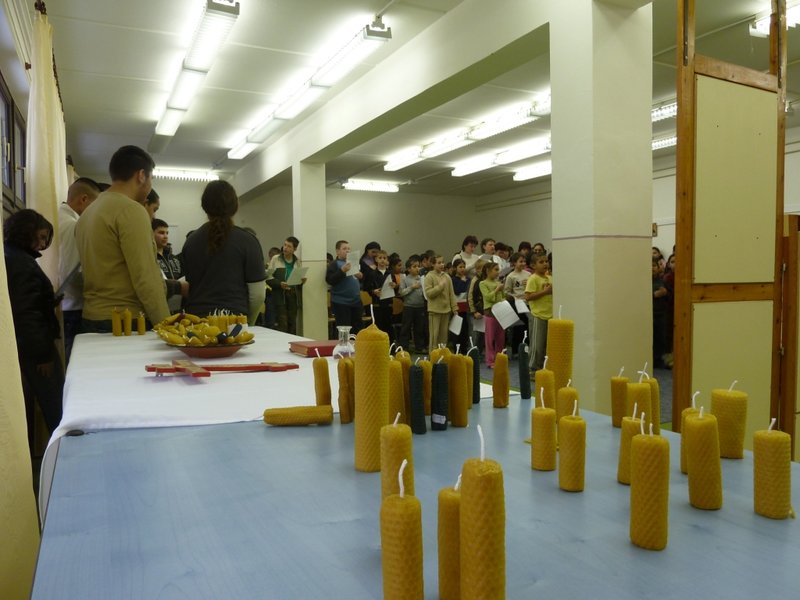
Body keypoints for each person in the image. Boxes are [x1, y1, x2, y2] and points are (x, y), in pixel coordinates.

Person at [76, 145, 169, 331]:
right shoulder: (131, 210)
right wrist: (167, 326)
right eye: (151, 178)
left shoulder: (88, 213)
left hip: (91, 317)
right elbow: (146, 277)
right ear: (141, 175)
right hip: (125, 321)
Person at [4, 209, 64, 442]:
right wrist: (43, 356)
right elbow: (27, 314)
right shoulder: (22, 263)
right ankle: (63, 452)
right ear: (25, 232)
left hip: (26, 346)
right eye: (40, 237)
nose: (42, 245)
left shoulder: (13, 256)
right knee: (55, 405)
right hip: (36, 351)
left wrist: (48, 300)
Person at [182, 181, 266, 323]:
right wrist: (248, 321)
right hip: (234, 321)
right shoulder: (248, 241)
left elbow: (189, 286)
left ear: (204, 206)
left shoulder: (191, 241)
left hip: (197, 321)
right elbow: (258, 295)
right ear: (235, 206)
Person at [57, 176, 101, 361]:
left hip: (63, 304)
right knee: (74, 361)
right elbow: (73, 274)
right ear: (83, 199)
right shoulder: (74, 225)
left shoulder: (58, 217)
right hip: (73, 306)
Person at [266, 236, 305, 335]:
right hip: (280, 296)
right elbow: (268, 278)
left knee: (292, 324)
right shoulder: (276, 259)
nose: (285, 248)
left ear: (294, 249)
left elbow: (297, 282)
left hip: (293, 296)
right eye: (285, 245)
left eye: (289, 246)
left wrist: (301, 281)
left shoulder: (297, 261)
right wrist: (279, 284)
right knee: (282, 324)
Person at [326, 240, 365, 333]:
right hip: (341, 302)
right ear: (337, 251)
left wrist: (360, 276)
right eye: (344, 249)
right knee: (344, 331)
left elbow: (359, 279)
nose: (347, 251)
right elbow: (330, 280)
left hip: (356, 301)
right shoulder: (334, 264)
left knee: (358, 329)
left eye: (349, 249)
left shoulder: (354, 262)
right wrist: (342, 271)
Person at [525, 253, 553, 374]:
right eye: (541, 262)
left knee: (547, 344)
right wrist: (545, 292)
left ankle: (544, 368)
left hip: (550, 315)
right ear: (533, 265)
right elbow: (528, 297)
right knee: (537, 345)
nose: (545, 264)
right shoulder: (533, 278)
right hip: (538, 315)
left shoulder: (550, 278)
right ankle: (533, 369)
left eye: (546, 261)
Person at [423, 255, 458, 352]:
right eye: (439, 263)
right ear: (433, 264)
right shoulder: (429, 276)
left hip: (446, 311)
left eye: (442, 262)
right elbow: (429, 294)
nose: (442, 265)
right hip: (434, 311)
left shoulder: (447, 277)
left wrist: (454, 307)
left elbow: (451, 294)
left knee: (443, 337)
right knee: (434, 336)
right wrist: (440, 287)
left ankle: (442, 356)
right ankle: (433, 356)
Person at [152, 218, 186, 313]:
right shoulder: (150, 258)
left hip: (178, 309)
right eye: (161, 233)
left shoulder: (175, 258)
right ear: (151, 234)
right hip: (158, 308)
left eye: (167, 233)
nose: (165, 236)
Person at [479, 262, 506, 368]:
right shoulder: (483, 283)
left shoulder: (498, 283)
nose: (498, 272)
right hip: (490, 313)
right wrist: (497, 289)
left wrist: (503, 292)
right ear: (488, 271)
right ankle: (490, 361)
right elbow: (488, 297)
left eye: (498, 270)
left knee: (501, 337)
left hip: (500, 312)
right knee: (490, 338)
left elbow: (502, 297)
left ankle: (499, 358)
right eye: (495, 269)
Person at [503, 252, 531, 353]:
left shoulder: (528, 275)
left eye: (524, 261)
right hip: (517, 304)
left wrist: (529, 284)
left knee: (527, 327)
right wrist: (514, 298)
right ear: (514, 263)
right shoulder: (511, 276)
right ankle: (516, 350)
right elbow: (506, 292)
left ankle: (526, 349)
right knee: (518, 328)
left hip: (528, 303)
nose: (523, 263)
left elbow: (533, 288)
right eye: (520, 261)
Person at [398, 256, 426, 353]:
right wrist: (412, 287)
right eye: (414, 266)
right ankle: (404, 347)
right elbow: (401, 292)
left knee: (419, 328)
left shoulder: (422, 279)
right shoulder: (405, 279)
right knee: (406, 327)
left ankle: (419, 347)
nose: (417, 268)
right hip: (409, 307)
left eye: (418, 266)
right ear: (408, 269)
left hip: (420, 306)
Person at [450, 257, 471, 352]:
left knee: (465, 331)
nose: (462, 269)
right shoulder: (453, 280)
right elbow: (457, 291)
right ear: (455, 268)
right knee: (457, 331)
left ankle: (464, 350)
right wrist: (462, 281)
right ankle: (457, 351)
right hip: (457, 309)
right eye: (460, 267)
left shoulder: (468, 279)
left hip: (466, 308)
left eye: (464, 267)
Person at [652, 256, 669, 369]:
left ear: (659, 268)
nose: (652, 268)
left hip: (661, 313)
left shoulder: (662, 281)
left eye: (654, 265)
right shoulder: (641, 282)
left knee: (661, 337)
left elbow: (669, 294)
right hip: (650, 314)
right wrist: (654, 295)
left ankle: (658, 359)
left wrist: (665, 292)